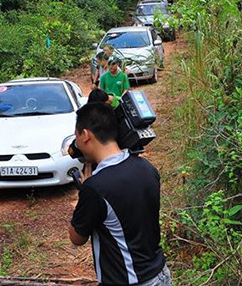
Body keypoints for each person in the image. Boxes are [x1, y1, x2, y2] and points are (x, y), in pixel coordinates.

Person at [68, 103, 171, 285]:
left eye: (76, 136)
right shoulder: (147, 168)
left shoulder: (95, 188)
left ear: (85, 135)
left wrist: (83, 194)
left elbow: (77, 237)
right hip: (161, 274)